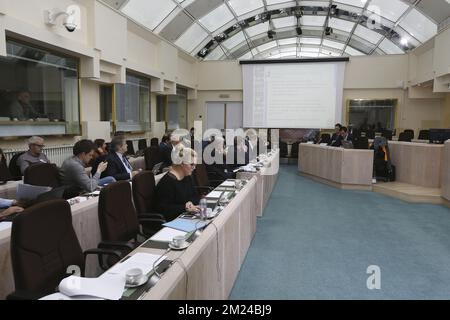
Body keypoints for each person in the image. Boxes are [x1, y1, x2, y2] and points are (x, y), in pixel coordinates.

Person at [154, 146, 200, 221]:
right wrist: (185, 207)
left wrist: (191, 203)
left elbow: (195, 196)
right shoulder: (167, 182)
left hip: (186, 216)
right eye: (192, 164)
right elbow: (163, 209)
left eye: (195, 165)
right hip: (173, 220)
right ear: (181, 163)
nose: (194, 168)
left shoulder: (187, 176)